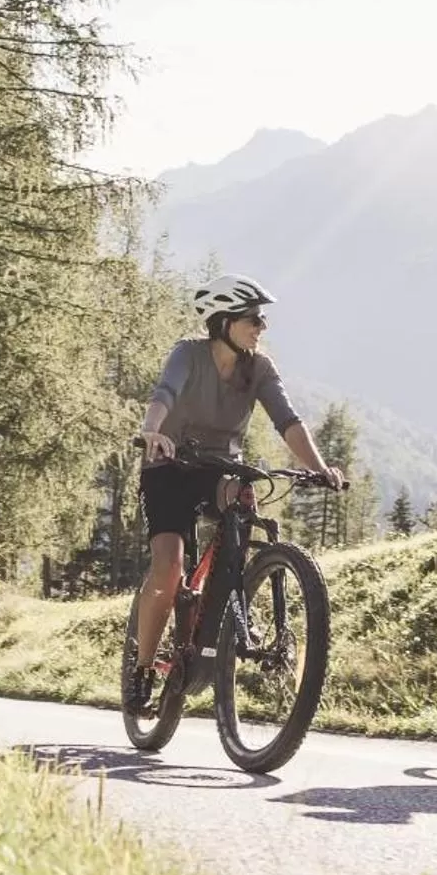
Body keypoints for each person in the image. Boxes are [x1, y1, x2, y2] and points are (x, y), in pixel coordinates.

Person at [127, 273, 343, 712]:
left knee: (243, 507)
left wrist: (318, 468)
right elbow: (164, 393)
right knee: (168, 567)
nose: (261, 326)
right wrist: (152, 432)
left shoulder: (259, 368)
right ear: (223, 321)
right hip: (169, 465)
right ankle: (143, 668)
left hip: (219, 469)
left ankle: (231, 604)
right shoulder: (188, 354)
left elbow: (288, 421)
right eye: (253, 318)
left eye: (262, 319)